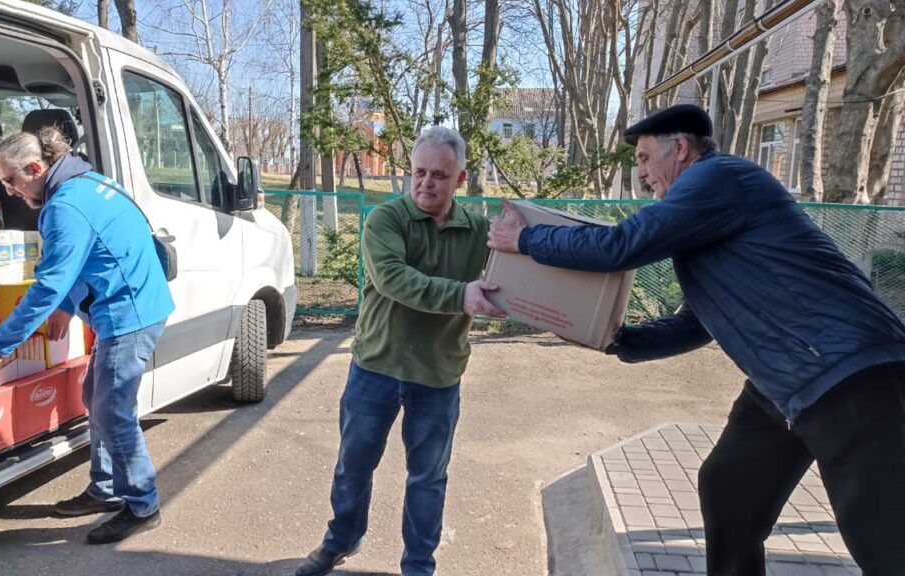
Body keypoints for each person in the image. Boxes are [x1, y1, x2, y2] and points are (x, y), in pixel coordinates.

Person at [487, 103, 905, 574]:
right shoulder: (706, 216)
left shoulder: (718, 178)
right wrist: (619, 341)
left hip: (848, 372)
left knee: (884, 541)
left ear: (681, 149)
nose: (642, 173)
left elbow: (618, 247)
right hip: (782, 382)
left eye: (645, 158)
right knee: (729, 487)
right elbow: (695, 322)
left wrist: (525, 240)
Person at [295, 126, 504, 576]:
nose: (426, 183)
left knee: (428, 479)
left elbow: (514, 275)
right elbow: (393, 279)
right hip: (377, 367)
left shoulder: (480, 233)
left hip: (438, 374)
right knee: (354, 466)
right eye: (419, 172)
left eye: (440, 175)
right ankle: (341, 539)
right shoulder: (385, 220)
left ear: (460, 179)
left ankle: (417, 566)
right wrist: (463, 296)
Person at [0, 127, 175, 545]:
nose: (8, 191)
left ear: (34, 167)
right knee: (96, 399)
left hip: (127, 315)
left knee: (112, 411)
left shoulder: (65, 206)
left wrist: (0, 343)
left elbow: (50, 282)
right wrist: (66, 308)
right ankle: (106, 488)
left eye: (11, 180)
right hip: (135, 303)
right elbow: (93, 253)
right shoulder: (89, 182)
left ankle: (141, 503)